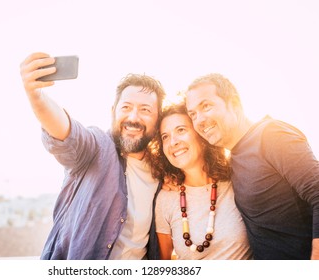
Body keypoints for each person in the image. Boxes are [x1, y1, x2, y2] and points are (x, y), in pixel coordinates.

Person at [19, 52, 166, 260]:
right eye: (126, 107)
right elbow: (68, 133)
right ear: (113, 111)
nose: (133, 117)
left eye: (145, 110)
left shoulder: (161, 173)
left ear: (158, 120)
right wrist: (37, 97)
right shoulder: (96, 147)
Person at [184, 73, 319, 260]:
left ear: (235, 104)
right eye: (193, 114)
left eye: (206, 106)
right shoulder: (234, 159)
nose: (199, 120)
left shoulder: (271, 135)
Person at [149, 102, 252, 260]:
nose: (173, 142)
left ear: (201, 133)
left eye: (181, 130)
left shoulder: (237, 177)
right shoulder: (165, 199)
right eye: (165, 137)